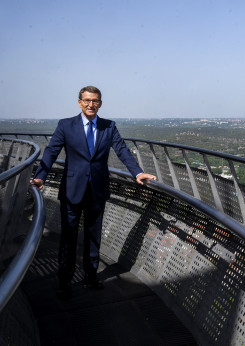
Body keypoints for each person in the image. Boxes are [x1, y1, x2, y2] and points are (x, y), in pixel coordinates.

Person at [31, 86, 156, 299]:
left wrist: (138, 172)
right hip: (72, 190)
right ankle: (64, 280)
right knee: (68, 237)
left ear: (100, 103)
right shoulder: (66, 125)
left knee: (93, 236)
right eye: (87, 100)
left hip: (97, 190)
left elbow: (122, 150)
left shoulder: (109, 127)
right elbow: (52, 151)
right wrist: (41, 175)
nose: (91, 104)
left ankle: (91, 276)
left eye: (95, 101)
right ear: (79, 102)